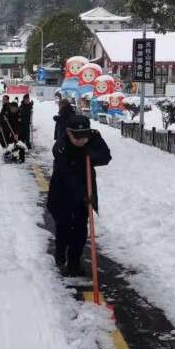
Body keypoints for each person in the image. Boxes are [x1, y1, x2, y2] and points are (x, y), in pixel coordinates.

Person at [47, 115, 111, 276]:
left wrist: (94, 147)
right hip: (62, 192)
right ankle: (60, 254)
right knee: (64, 227)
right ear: (69, 132)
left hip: (84, 191)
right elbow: (68, 176)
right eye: (77, 137)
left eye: (85, 136)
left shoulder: (92, 138)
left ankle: (74, 264)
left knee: (80, 231)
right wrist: (83, 195)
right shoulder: (61, 147)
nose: (82, 140)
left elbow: (105, 157)